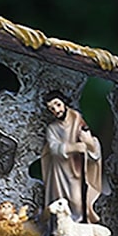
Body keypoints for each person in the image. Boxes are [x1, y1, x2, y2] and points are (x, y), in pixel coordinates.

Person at [40, 91, 102, 223]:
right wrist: (74, 147)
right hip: (60, 171)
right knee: (61, 203)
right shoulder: (52, 128)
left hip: (76, 170)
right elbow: (53, 148)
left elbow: (90, 145)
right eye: (51, 109)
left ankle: (77, 226)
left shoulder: (78, 121)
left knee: (77, 201)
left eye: (58, 105)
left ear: (64, 103)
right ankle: (64, 227)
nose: (56, 110)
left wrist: (89, 143)